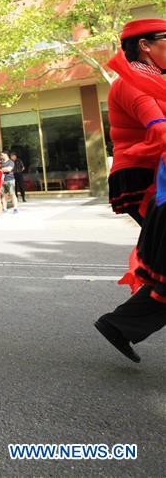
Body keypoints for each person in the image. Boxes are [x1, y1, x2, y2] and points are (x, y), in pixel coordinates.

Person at [94, 18, 166, 362]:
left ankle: (121, 324)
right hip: (143, 181)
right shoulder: (133, 81)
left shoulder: (151, 79)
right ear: (145, 46)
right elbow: (159, 128)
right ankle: (121, 324)